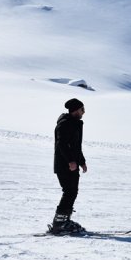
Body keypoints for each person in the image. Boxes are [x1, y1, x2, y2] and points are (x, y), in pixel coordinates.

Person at [50, 98, 88, 234]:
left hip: (71, 164)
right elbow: (62, 144)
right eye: (82, 109)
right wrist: (70, 161)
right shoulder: (65, 124)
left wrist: (82, 161)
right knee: (69, 192)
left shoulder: (75, 124)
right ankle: (59, 223)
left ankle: (64, 220)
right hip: (64, 165)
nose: (84, 112)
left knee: (72, 192)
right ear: (75, 110)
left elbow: (76, 146)